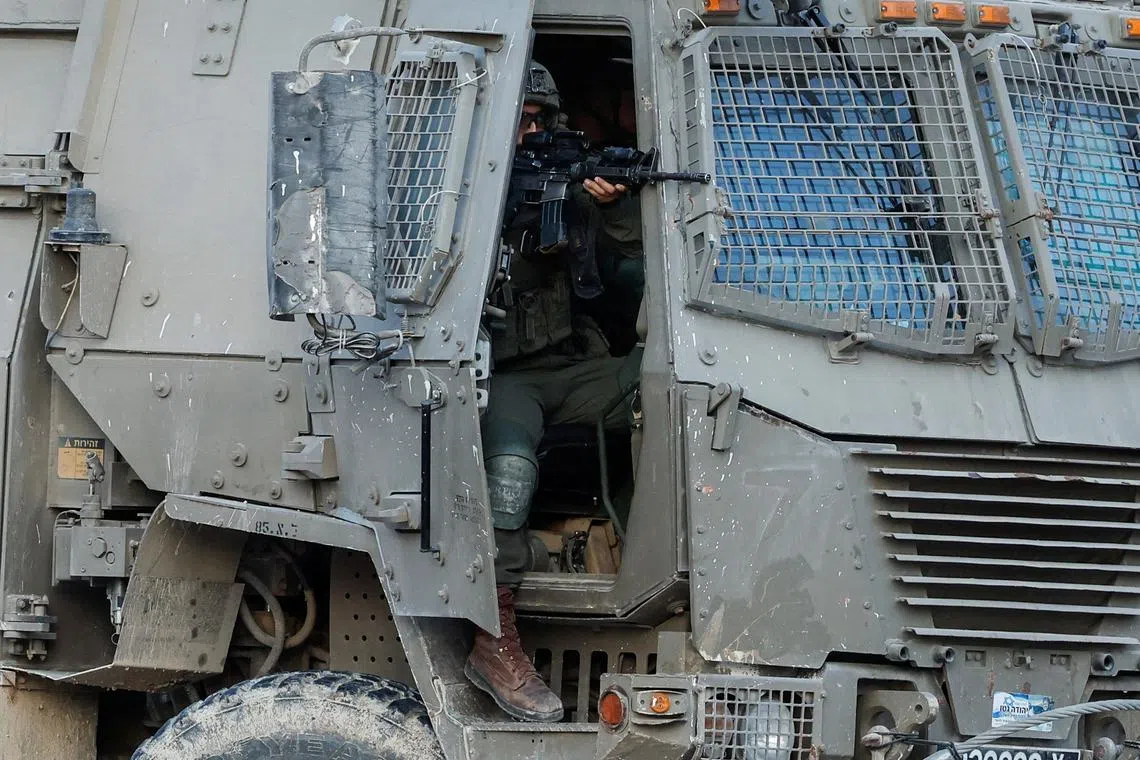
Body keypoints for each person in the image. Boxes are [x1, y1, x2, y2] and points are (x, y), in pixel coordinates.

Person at [463, 61, 643, 723]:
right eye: (518, 121)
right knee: (508, 469)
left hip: (571, 368)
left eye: (537, 120)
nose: (528, 133)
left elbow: (627, 271)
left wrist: (607, 208)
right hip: (501, 378)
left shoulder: (565, 185)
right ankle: (493, 641)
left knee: (675, 389)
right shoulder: (456, 187)